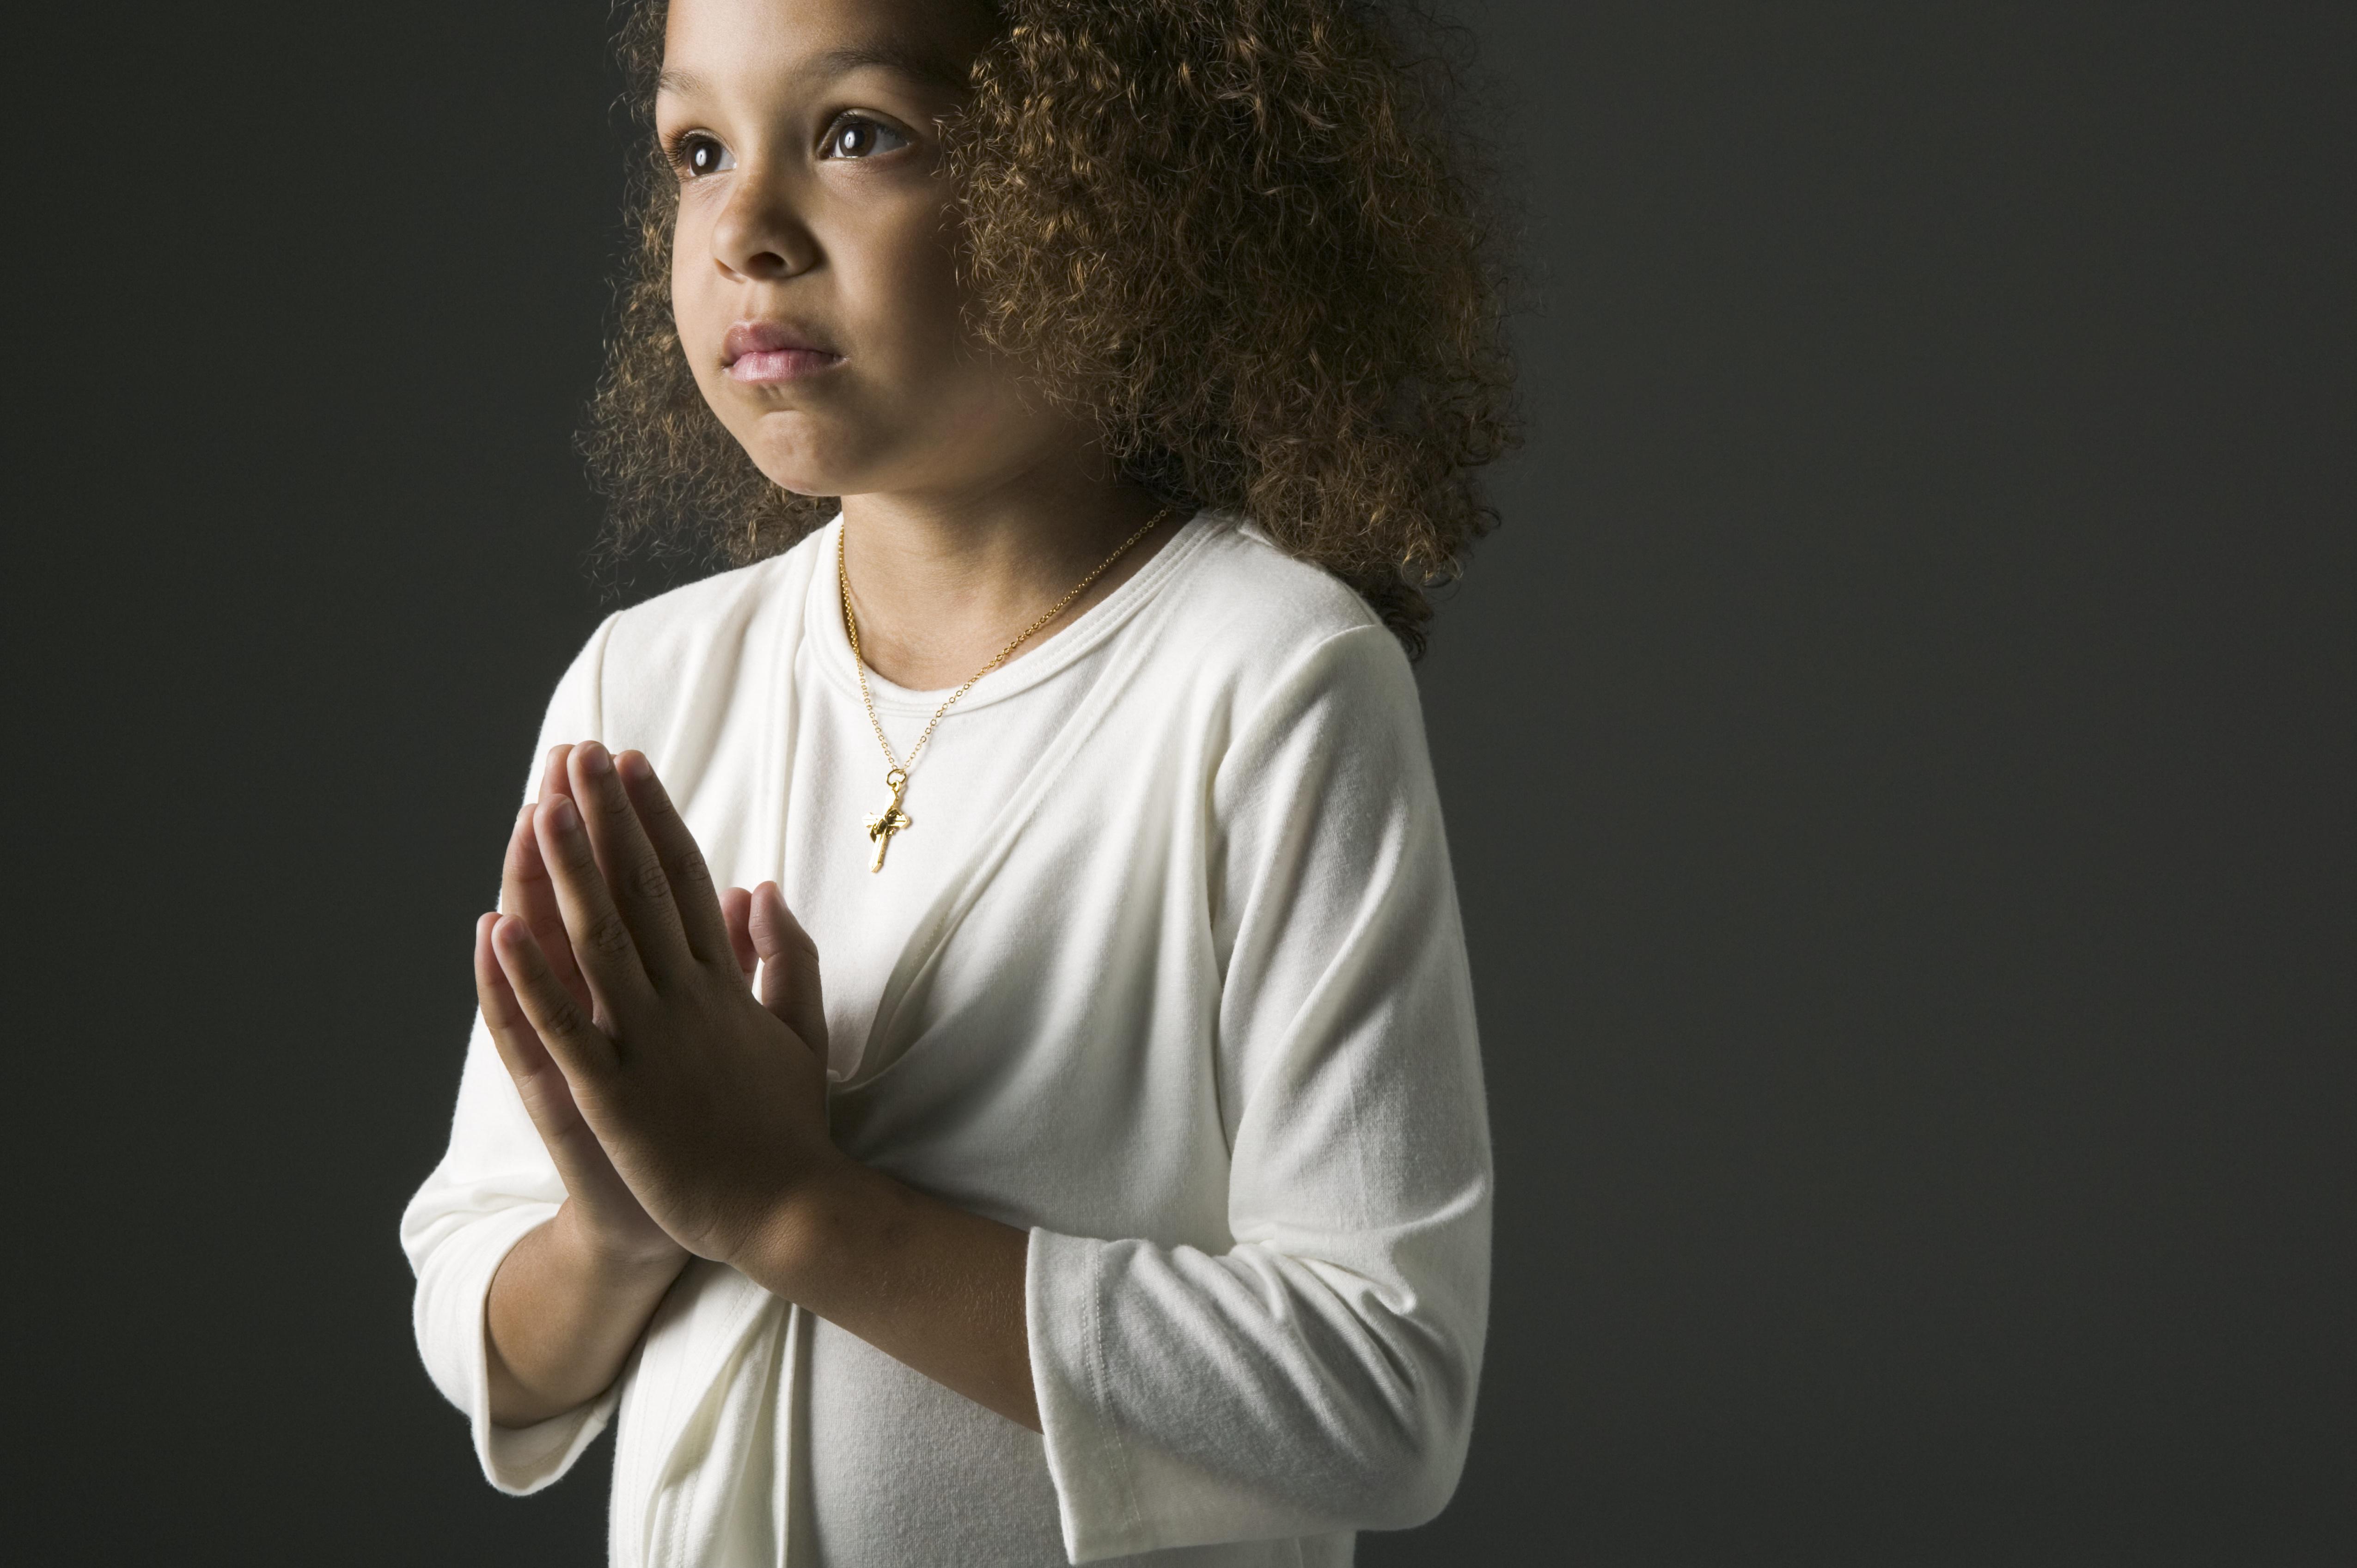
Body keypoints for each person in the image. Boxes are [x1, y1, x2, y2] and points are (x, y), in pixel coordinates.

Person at [400, 0, 1516, 1562]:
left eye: (859, 135)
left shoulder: (1272, 682)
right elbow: (484, 1323)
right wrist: (623, 1218)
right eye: (698, 149)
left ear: (1117, 180)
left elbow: (1381, 1389)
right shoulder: (641, 688)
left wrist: (788, 1210)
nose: (746, 229)